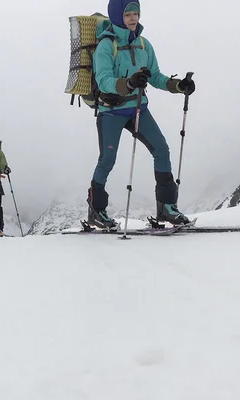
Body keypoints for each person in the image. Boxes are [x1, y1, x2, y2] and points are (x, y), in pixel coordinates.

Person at [86, 0, 196, 229]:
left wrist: (178, 85)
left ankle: (166, 207)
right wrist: (129, 82)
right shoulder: (106, 46)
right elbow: (103, 80)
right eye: (128, 14)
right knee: (107, 160)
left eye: (136, 13)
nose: (133, 18)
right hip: (111, 111)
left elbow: (155, 76)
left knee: (162, 149)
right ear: (117, 16)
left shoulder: (144, 45)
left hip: (138, 108)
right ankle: (96, 210)